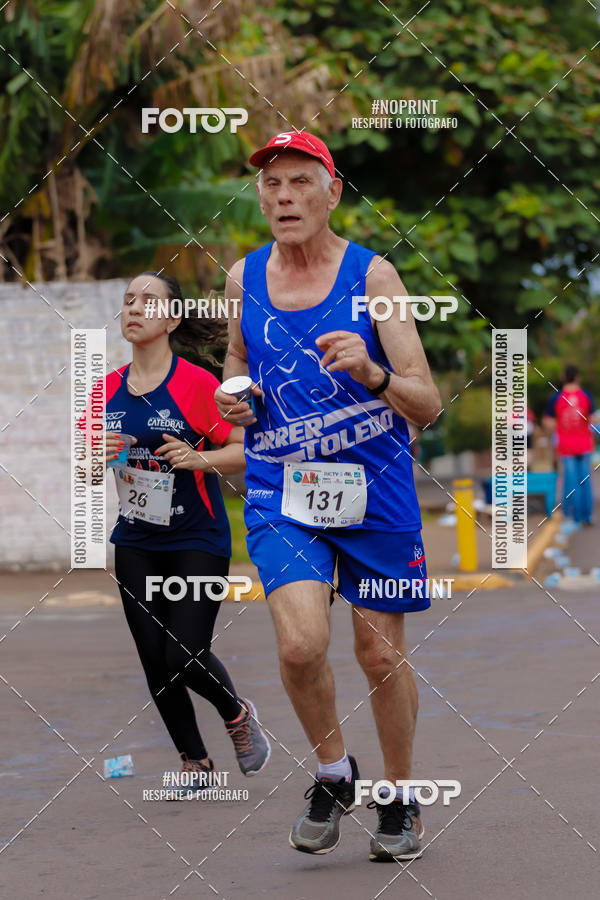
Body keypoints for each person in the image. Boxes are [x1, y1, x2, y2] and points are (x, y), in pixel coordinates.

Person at [215, 132, 442, 860]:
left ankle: (400, 800)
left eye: (300, 183)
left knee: (379, 657)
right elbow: (237, 363)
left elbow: (427, 402)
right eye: (272, 184)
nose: (283, 196)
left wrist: (373, 375)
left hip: (374, 490)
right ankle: (334, 771)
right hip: (282, 487)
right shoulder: (241, 279)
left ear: (332, 191)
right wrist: (237, 402)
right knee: (300, 642)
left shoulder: (374, 278)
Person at [88, 271, 270, 782]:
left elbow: (243, 452)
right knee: (155, 661)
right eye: (127, 301)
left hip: (197, 537)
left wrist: (198, 459)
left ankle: (237, 715)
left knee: (183, 652)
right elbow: (82, 469)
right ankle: (195, 762)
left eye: (148, 301)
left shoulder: (195, 384)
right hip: (136, 540)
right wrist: (94, 457)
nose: (134, 308)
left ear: (172, 319)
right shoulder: (104, 390)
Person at [543, 364, 596, 526]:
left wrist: (559, 427)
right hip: (584, 444)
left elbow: (548, 422)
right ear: (578, 377)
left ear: (563, 377)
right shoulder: (586, 396)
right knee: (585, 481)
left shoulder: (557, 398)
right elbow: (593, 419)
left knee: (570, 481)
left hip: (566, 446)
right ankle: (586, 516)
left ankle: (572, 516)